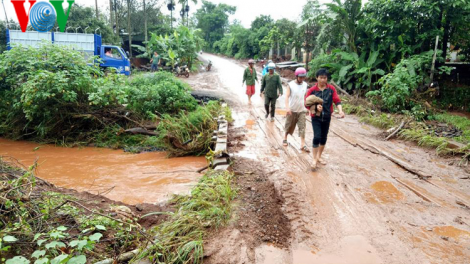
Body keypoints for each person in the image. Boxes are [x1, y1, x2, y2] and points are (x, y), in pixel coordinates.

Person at [305, 68, 345, 170]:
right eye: (321, 78)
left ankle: (319, 156)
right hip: (316, 118)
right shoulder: (312, 90)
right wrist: (314, 107)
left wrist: (340, 110)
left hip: (327, 117)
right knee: (317, 136)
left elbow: (337, 100)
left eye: (325, 78)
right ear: (317, 78)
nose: (323, 80)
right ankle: (314, 159)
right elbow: (306, 103)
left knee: (324, 137)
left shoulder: (331, 89)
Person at [283, 67, 310, 152]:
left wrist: (307, 107)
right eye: (300, 77)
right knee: (288, 125)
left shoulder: (305, 85)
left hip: (302, 109)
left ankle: (302, 144)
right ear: (296, 76)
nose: (302, 79)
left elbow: (306, 97)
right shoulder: (291, 85)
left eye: (303, 77)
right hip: (292, 109)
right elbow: (287, 96)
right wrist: (287, 108)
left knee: (302, 127)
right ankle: (285, 138)